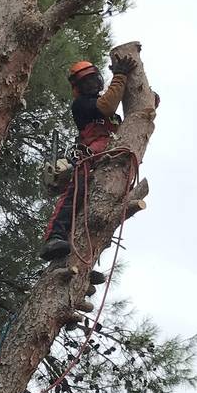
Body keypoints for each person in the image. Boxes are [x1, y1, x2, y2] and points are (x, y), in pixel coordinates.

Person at [41, 49, 136, 262]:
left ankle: (85, 259)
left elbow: (131, 117)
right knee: (75, 194)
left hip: (111, 160)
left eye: (94, 80)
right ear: (78, 88)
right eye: (86, 83)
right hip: (90, 158)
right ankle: (53, 237)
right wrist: (120, 76)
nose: (91, 85)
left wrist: (146, 97)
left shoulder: (110, 114)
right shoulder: (83, 104)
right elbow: (108, 105)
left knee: (100, 210)